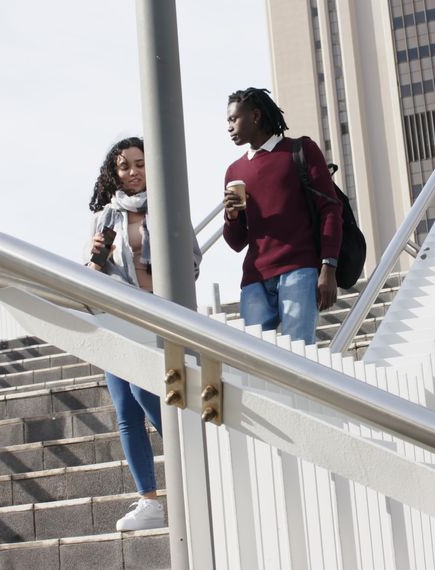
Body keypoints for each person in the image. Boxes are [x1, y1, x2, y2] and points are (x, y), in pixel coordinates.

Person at [85, 136, 202, 531]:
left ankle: (195, 465)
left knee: (145, 391)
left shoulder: (167, 208)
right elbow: (93, 277)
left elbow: (192, 262)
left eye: (139, 164)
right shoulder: (105, 217)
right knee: (125, 412)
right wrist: (95, 260)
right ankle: (148, 501)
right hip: (117, 318)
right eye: (124, 166)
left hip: (155, 315)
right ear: (113, 173)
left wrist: (154, 279)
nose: (133, 172)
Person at [222, 87, 342, 344]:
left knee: (299, 355)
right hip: (254, 278)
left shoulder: (300, 150)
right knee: (252, 359)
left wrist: (328, 267)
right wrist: (231, 216)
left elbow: (330, 210)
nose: (229, 127)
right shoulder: (234, 171)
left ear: (255, 116)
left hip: (299, 270)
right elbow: (236, 242)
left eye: (234, 119)